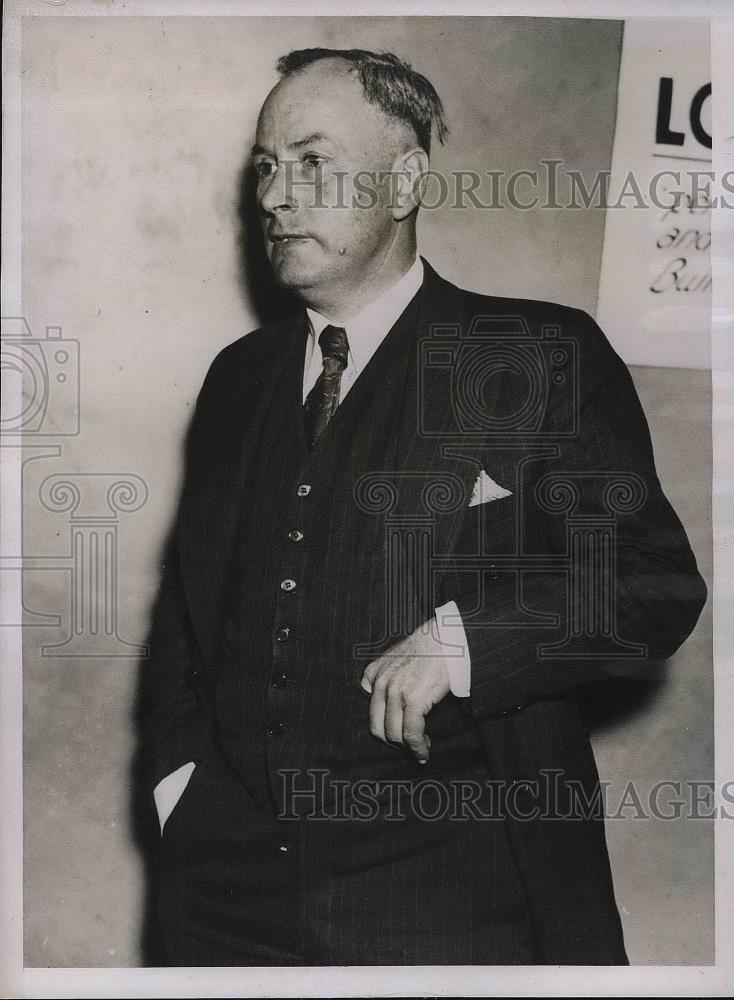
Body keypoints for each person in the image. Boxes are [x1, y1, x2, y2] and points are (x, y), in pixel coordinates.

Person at [142, 48, 707, 966]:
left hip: (455, 897)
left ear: (405, 180)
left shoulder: (528, 352)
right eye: (266, 167)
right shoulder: (236, 380)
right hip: (223, 900)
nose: (278, 196)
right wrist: (180, 790)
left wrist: (468, 640)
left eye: (314, 161)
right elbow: (188, 620)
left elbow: (650, 587)